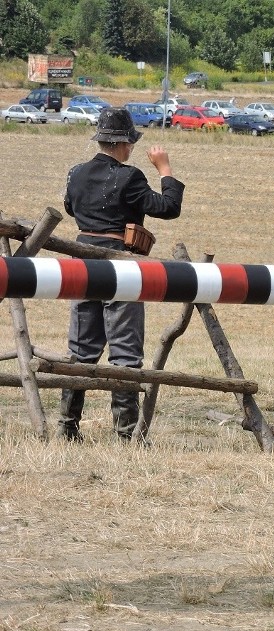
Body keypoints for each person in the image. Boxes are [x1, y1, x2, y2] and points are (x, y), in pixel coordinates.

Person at [58, 107, 184, 442]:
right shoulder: (129, 178)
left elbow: (72, 208)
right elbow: (168, 208)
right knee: (126, 352)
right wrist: (166, 169)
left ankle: (68, 426)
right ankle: (126, 433)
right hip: (120, 268)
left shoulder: (75, 174)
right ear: (124, 143)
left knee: (81, 349)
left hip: (82, 265)